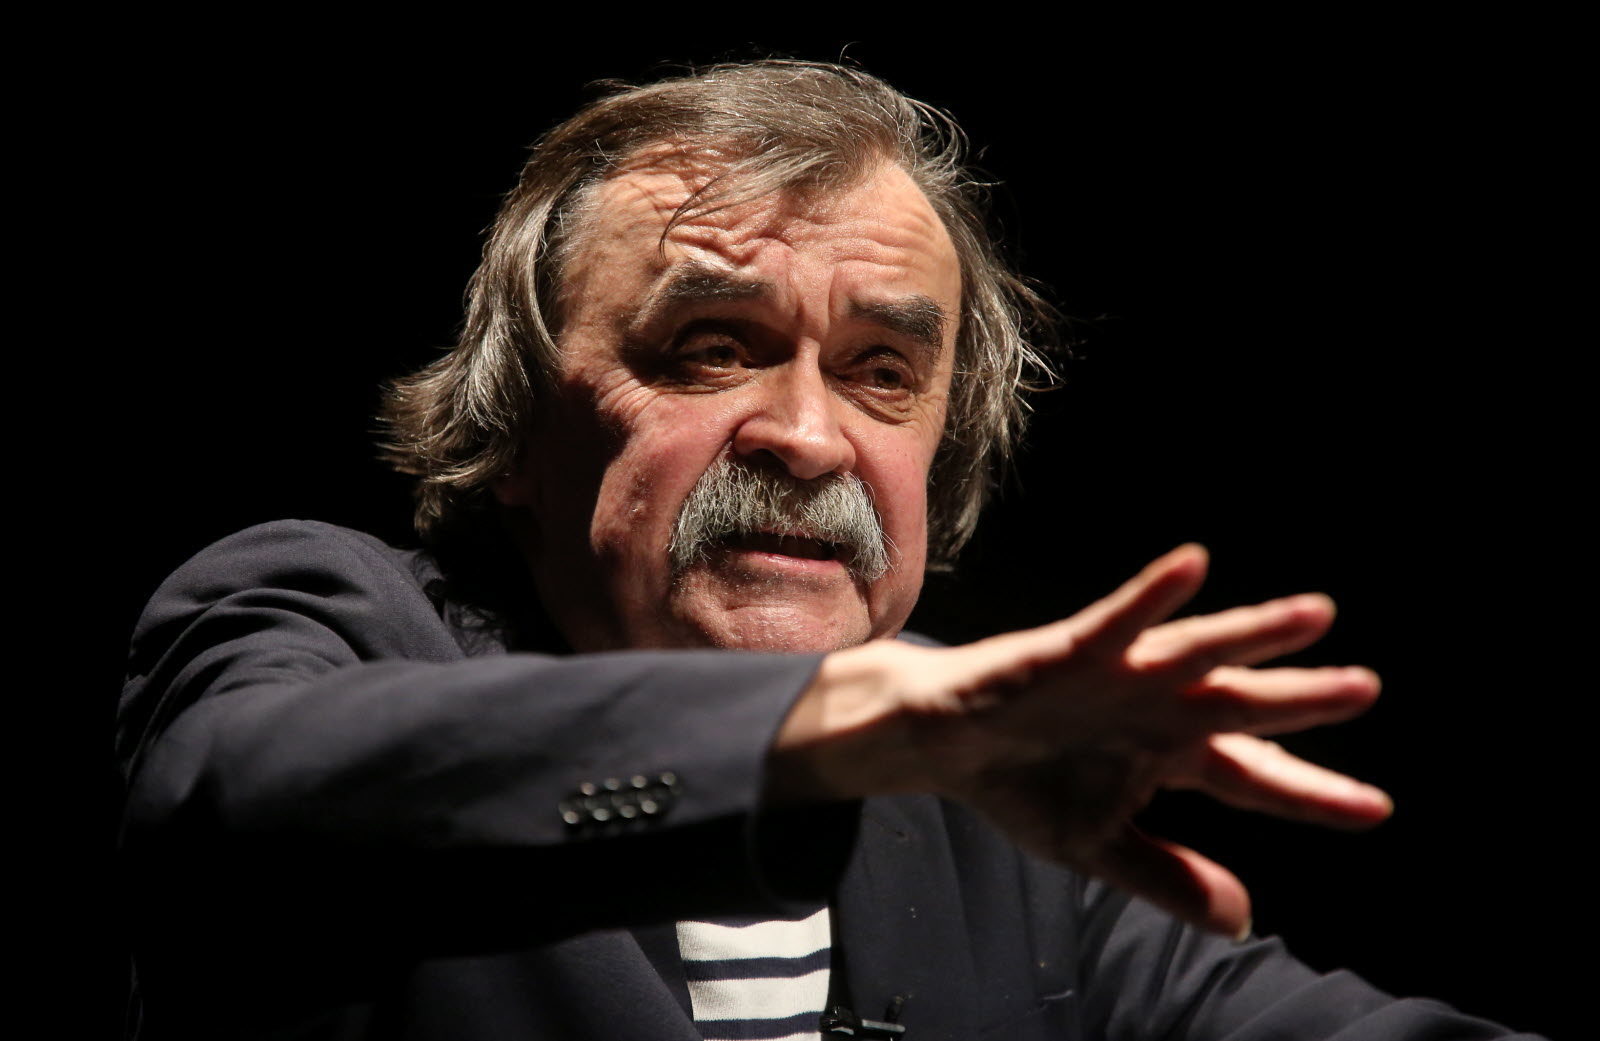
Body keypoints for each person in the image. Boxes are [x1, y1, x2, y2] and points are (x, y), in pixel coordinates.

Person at [116, 60, 1543, 1039]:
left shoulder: (989, 798)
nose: (806, 436)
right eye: (711, 346)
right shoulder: (323, 610)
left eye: (881, 373)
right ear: (521, 429)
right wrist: (830, 729)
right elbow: (239, 805)